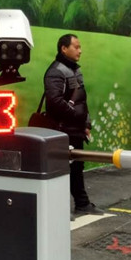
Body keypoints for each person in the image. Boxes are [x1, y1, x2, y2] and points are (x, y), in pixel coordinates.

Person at [43, 34, 104, 217]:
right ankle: (59, 209)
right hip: (61, 130)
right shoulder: (56, 71)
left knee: (77, 168)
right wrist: (77, 117)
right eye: (76, 47)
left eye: (80, 47)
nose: (80, 50)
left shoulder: (75, 71)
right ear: (64, 48)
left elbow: (81, 100)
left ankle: (82, 204)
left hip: (75, 130)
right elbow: (54, 102)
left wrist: (85, 123)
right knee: (60, 170)